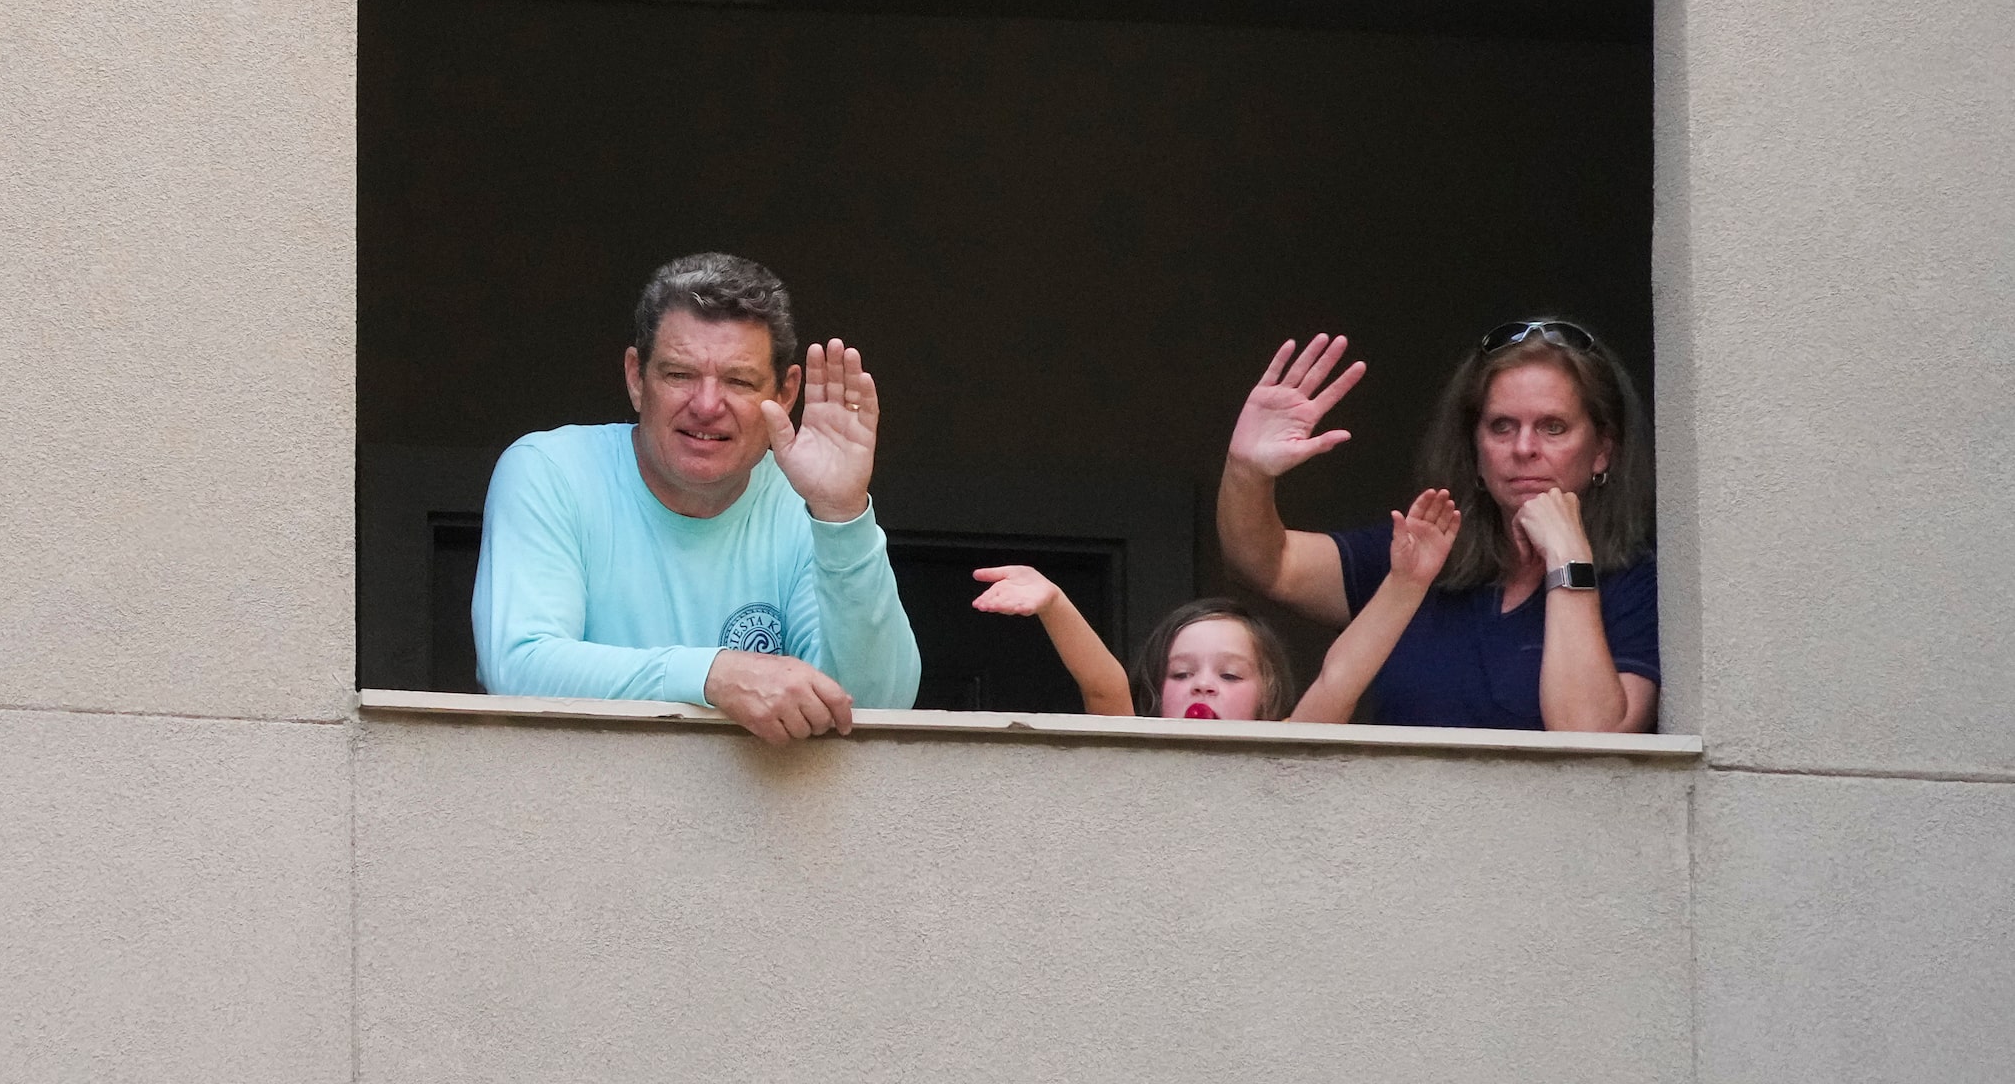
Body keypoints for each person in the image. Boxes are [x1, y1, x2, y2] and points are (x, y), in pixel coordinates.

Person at [472, 253, 922, 742]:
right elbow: (519, 669)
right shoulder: (551, 471)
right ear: (635, 378)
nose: (707, 406)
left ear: (787, 392)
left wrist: (840, 514)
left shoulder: (802, 500)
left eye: (739, 381)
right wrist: (714, 676)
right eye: (680, 375)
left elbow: (877, 703)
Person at [1212, 322, 1660, 732]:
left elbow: (1591, 745)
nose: (1524, 448)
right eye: (1501, 426)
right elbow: (1266, 564)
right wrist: (1247, 471)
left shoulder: (1639, 583)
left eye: (1553, 427)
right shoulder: (1428, 554)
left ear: (1602, 450)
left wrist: (1568, 560)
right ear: (1476, 449)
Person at [968, 487, 1462, 724]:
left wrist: (1407, 583)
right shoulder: (1133, 750)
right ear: (1157, 696)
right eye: (1181, 674)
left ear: (1268, 698)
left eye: (1230, 675)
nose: (1203, 683)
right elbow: (1105, 685)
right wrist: (1053, 602)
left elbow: (1340, 680)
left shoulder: (1286, 750)